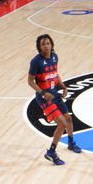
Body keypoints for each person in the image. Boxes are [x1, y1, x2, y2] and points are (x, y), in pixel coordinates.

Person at [27, 34, 80, 165]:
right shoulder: (36, 61)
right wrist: (42, 92)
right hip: (44, 98)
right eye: (43, 44)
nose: (46, 45)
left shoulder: (55, 57)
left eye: (48, 43)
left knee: (68, 119)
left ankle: (71, 142)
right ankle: (51, 152)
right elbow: (30, 81)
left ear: (52, 44)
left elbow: (55, 74)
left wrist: (62, 85)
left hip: (54, 93)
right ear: (39, 47)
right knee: (61, 123)